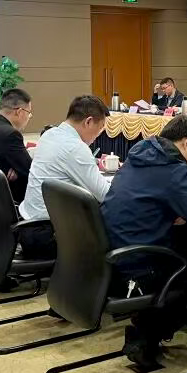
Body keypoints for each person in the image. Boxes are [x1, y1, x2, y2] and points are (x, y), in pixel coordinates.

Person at [101, 115, 187, 367]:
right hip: (140, 265)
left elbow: (148, 198)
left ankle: (145, 332)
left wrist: (168, 211)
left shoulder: (138, 155)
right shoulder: (175, 169)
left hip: (113, 253)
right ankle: (149, 335)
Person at [19, 95, 111, 257]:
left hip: (28, 227)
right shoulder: (75, 147)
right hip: (48, 236)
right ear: (88, 122)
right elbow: (105, 195)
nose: (98, 135)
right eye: (100, 128)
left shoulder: (49, 135)